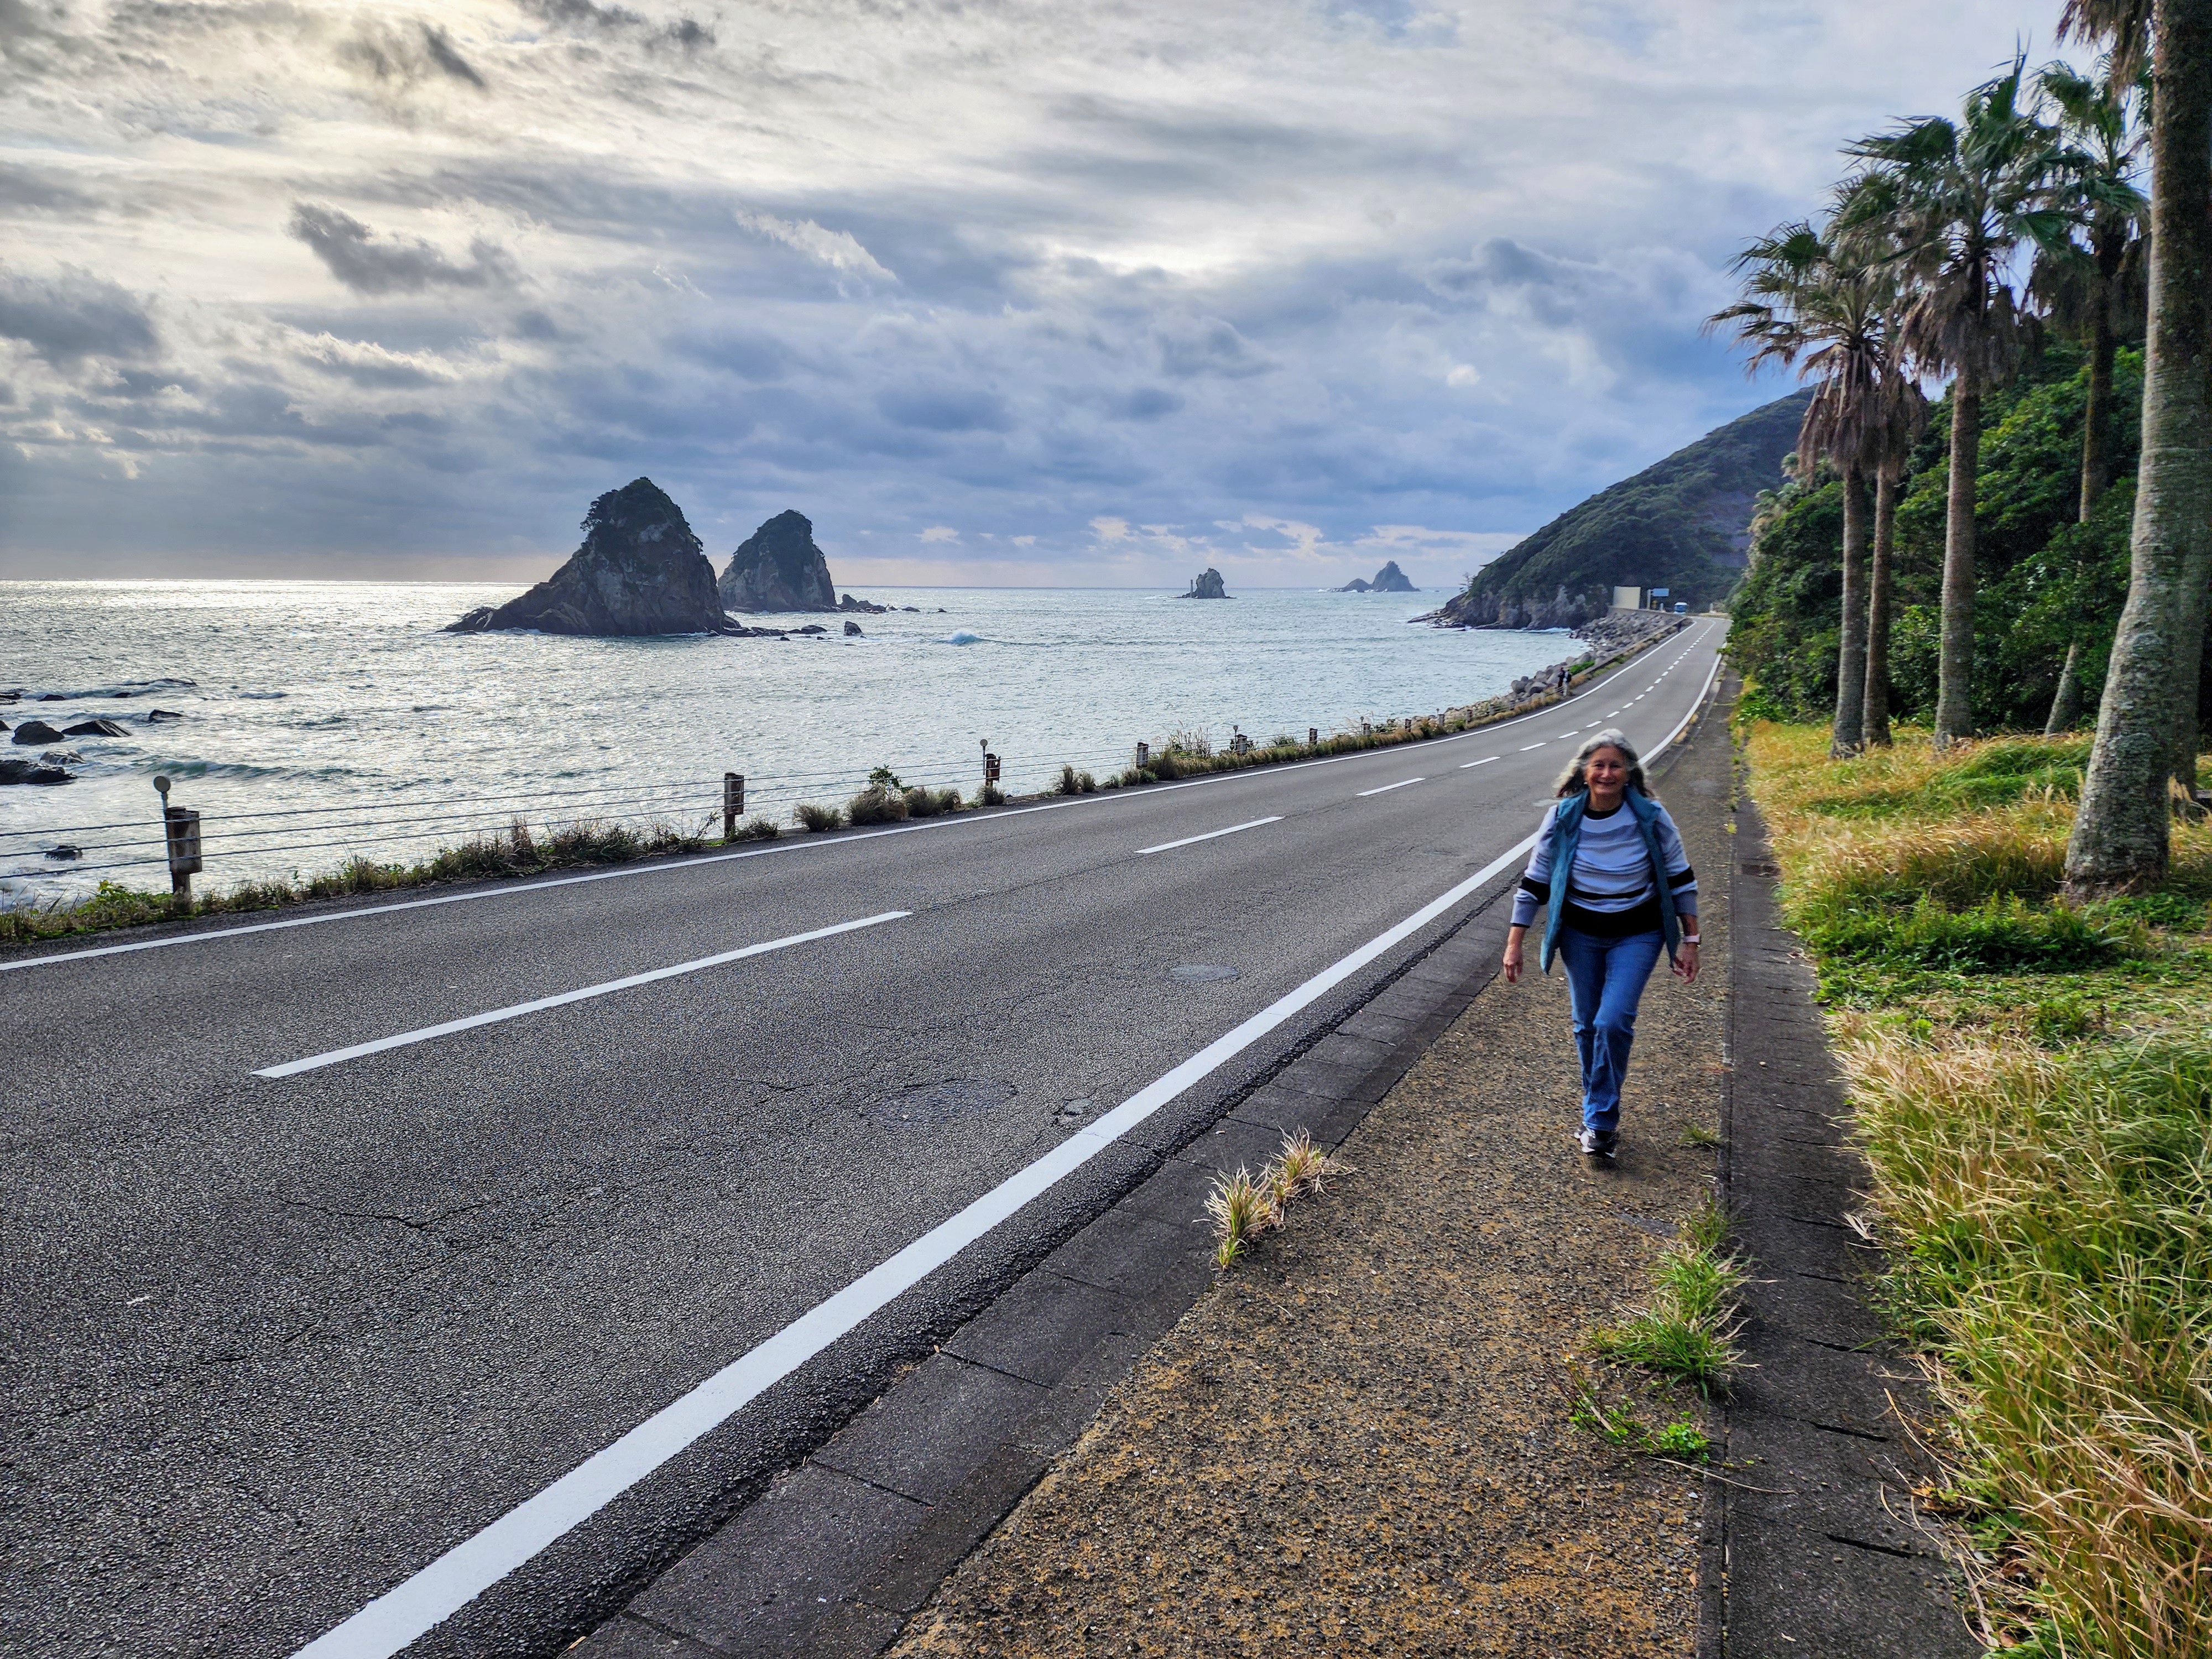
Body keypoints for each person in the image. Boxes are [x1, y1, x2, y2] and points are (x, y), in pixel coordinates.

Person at [1500, 731, 1698, 1159]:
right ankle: (1597, 1110)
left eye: (1615, 765)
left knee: (1613, 1022)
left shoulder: (1651, 816)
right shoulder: (1563, 818)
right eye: (1599, 765)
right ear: (1584, 773)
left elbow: (1682, 877)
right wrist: (1514, 943)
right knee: (1586, 1025)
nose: (1607, 773)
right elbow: (1533, 883)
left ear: (1629, 774)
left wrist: (1692, 940)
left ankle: (1601, 1122)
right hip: (1580, 935)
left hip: (1638, 933)